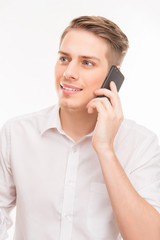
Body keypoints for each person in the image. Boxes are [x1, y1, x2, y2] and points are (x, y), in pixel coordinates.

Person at [0, 15, 160, 240]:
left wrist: (105, 150)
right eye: (64, 59)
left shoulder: (141, 144)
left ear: (113, 77)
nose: (68, 73)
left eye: (87, 62)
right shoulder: (16, 134)